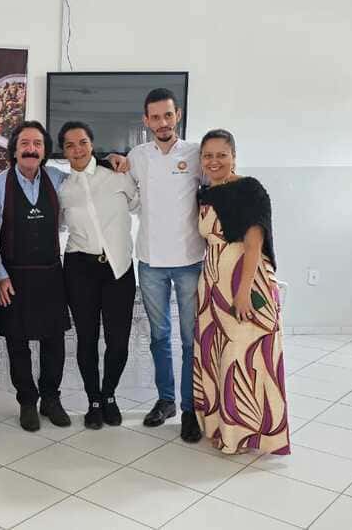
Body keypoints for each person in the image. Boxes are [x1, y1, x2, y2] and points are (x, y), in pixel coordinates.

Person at [0, 121, 128, 432]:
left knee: (54, 341)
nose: (31, 149)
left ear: (45, 151)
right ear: (14, 149)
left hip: (51, 273)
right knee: (17, 343)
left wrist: (109, 159)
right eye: (25, 143)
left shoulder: (58, 178)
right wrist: (0, 274)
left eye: (38, 144)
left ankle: (51, 399)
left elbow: (85, 172)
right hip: (13, 276)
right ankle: (28, 401)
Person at [193, 128, 289, 455]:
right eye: (208, 155)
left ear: (234, 156)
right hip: (212, 286)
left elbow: (254, 243)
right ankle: (221, 427)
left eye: (222, 154)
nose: (214, 161)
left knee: (244, 358)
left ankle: (246, 436)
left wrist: (243, 291)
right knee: (218, 357)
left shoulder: (250, 189)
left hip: (245, 283)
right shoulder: (206, 194)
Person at [126, 88, 205, 442]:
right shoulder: (137, 156)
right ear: (146, 121)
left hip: (190, 260)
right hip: (151, 261)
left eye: (168, 115)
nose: (162, 123)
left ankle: (190, 408)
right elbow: (127, 196)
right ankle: (166, 400)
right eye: (155, 117)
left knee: (190, 339)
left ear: (178, 115)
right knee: (159, 336)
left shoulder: (196, 154)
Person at [57, 122, 138, 430]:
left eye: (82, 142)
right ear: (63, 151)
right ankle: (93, 400)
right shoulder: (63, 188)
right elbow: (57, 226)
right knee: (87, 340)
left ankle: (109, 395)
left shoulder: (117, 175)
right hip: (79, 269)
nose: (77, 149)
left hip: (119, 268)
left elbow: (138, 203)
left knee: (118, 341)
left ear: (92, 143)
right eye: (69, 145)